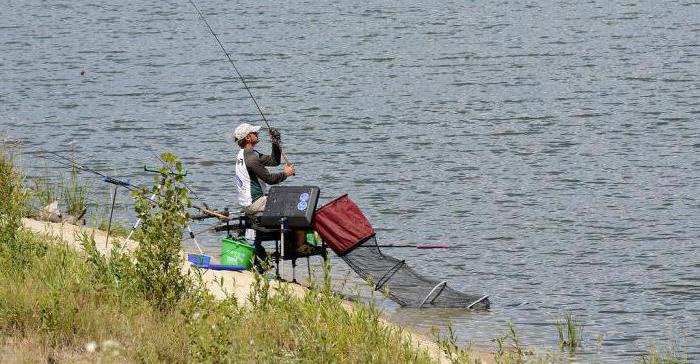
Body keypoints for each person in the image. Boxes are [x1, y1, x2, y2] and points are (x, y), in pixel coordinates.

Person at [234, 122, 319, 256]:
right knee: (295, 208)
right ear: (248, 138)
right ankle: (300, 246)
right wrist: (286, 173)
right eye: (254, 133)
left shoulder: (247, 153)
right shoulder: (251, 158)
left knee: (290, 203)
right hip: (255, 203)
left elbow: (274, 161)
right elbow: (270, 179)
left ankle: (292, 243)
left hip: (252, 201)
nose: (257, 134)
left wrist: (275, 142)